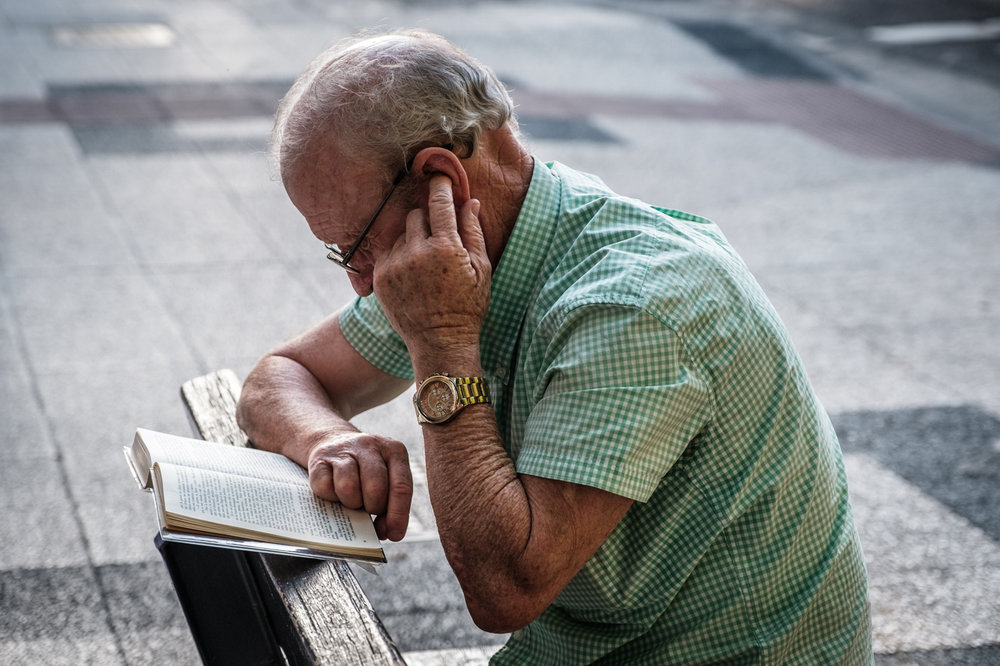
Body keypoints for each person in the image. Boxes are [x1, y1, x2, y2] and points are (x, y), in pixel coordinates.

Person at [236, 28, 873, 664]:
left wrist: (442, 344)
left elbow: (505, 590)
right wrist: (327, 439)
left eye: (354, 246)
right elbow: (278, 377)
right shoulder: (464, 252)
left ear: (441, 179)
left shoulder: (632, 307)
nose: (361, 281)